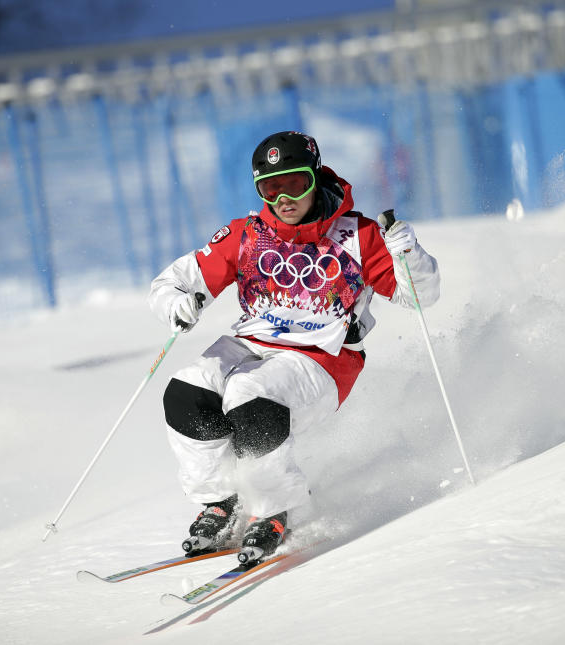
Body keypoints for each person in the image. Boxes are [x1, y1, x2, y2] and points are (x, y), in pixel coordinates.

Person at [148, 130, 440, 562]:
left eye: (294, 184)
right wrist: (177, 304)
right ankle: (222, 500)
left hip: (322, 355)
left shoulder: (357, 234)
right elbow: (172, 282)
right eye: (270, 187)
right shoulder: (247, 234)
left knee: (249, 395)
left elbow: (419, 296)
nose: (283, 198)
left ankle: (276, 508)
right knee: (186, 390)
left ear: (315, 178)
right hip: (251, 341)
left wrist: (409, 254)